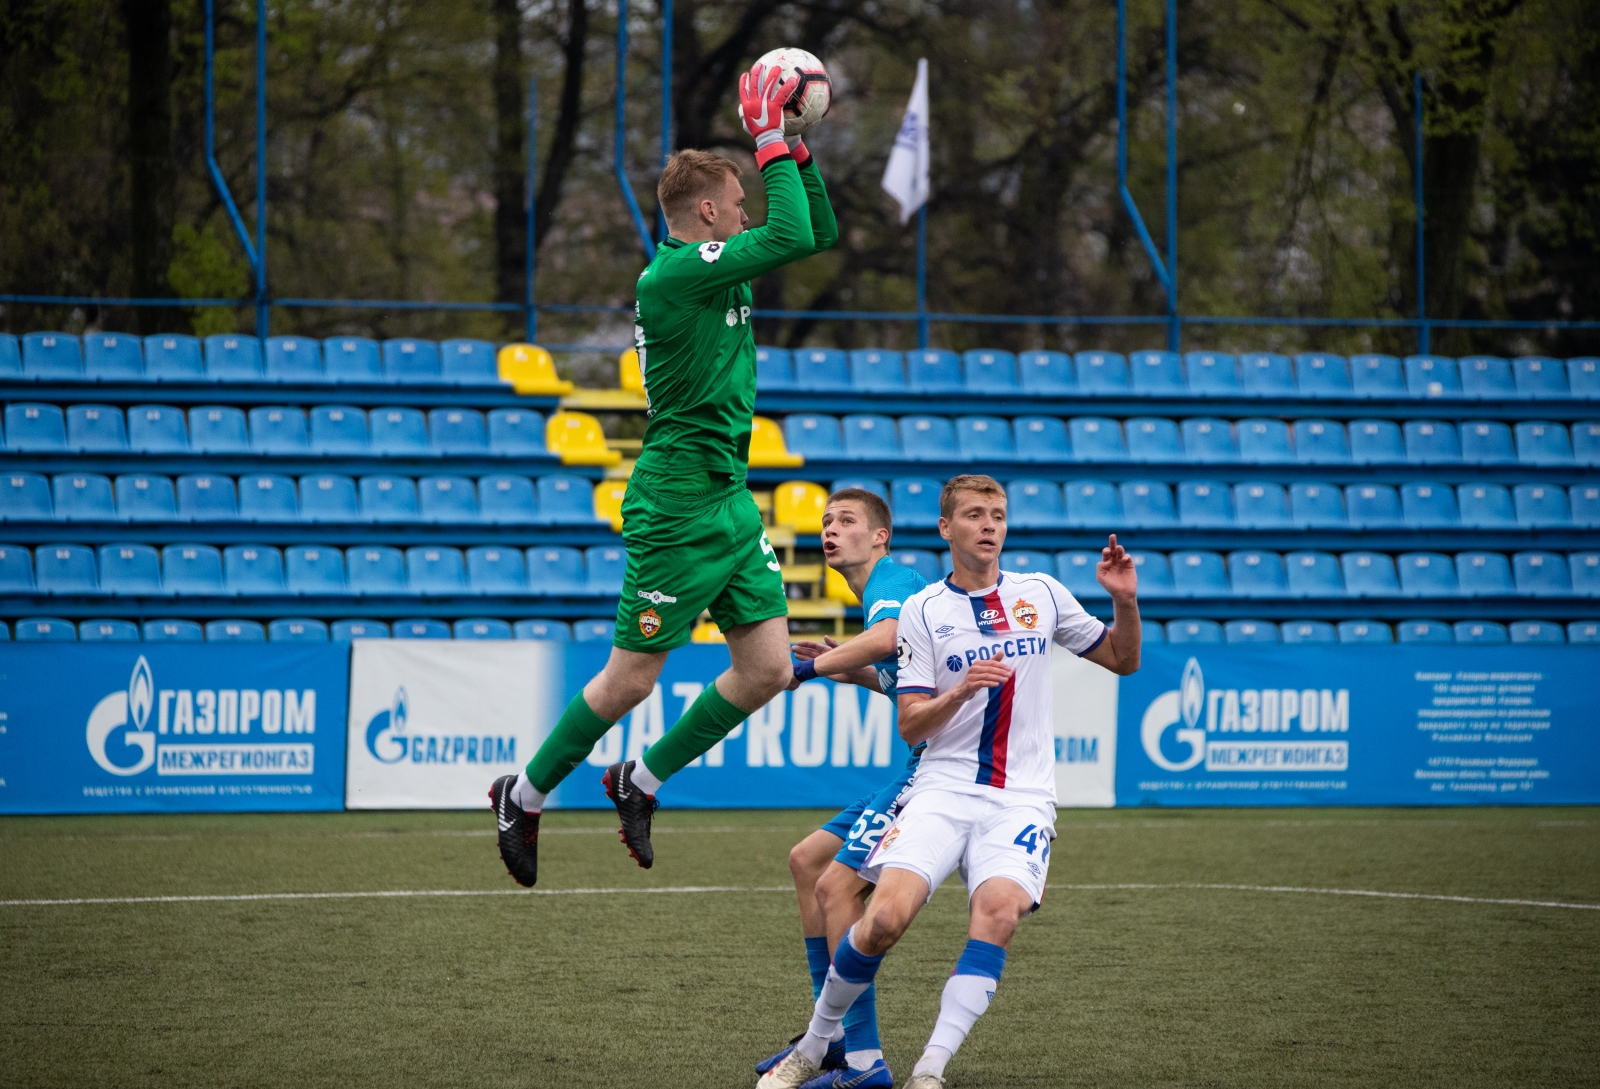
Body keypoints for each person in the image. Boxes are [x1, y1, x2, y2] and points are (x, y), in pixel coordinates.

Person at [490, 61, 838, 885]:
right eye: (739, 202)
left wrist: (796, 151)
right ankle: (523, 793)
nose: (750, 211)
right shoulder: (677, 272)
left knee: (767, 669)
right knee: (631, 678)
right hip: (678, 499)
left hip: (726, 497)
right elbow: (792, 236)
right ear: (707, 213)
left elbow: (814, 231)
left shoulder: (713, 264)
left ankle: (637, 781)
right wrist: (768, 137)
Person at [757, 474, 1142, 1089]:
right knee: (867, 907)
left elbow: (1123, 659)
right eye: (974, 514)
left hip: (1020, 797)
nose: (989, 525)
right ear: (946, 528)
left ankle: (918, 1069)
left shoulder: (1039, 593)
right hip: (940, 783)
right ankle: (827, 1044)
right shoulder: (925, 608)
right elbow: (912, 715)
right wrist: (950, 691)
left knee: (993, 913)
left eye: (998, 514)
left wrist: (1124, 601)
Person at [754, 488, 927, 1089]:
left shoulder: (891, 582)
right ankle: (826, 1038)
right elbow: (902, 672)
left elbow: (889, 637)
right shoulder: (883, 590)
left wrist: (806, 669)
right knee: (807, 861)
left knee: (836, 886)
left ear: (880, 536)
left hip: (938, 770)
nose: (830, 529)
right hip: (920, 764)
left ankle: (862, 1058)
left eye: (846, 520)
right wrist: (853, 671)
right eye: (826, 520)